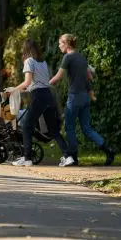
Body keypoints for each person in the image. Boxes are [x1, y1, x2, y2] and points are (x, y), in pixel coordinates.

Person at [49, 33, 115, 166]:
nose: (59, 46)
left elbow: (59, 76)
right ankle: (108, 150)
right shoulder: (81, 57)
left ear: (67, 44)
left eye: (61, 43)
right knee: (87, 128)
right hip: (85, 97)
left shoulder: (68, 57)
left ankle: (73, 157)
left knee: (69, 127)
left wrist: (45, 84)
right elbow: (89, 77)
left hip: (74, 97)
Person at [10, 39, 73, 167]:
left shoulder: (29, 61)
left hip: (38, 97)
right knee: (53, 130)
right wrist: (20, 91)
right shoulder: (43, 62)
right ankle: (68, 156)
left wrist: (13, 90)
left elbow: (28, 82)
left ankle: (27, 158)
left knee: (27, 126)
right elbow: (37, 84)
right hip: (48, 96)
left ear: (25, 50)